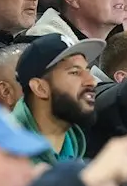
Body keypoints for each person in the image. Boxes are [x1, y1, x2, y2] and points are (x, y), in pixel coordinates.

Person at [10, 33, 104, 164]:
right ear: (40, 88)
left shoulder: (76, 148)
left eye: (87, 71)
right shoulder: (6, 156)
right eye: (75, 72)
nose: (92, 81)